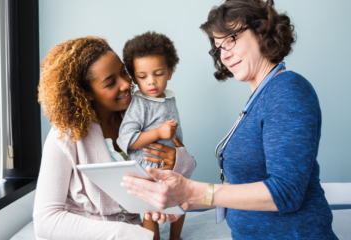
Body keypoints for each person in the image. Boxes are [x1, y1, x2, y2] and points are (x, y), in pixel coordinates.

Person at [122, 0, 338, 239]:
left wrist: (192, 189)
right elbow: (243, 189)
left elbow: (286, 192)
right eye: (218, 47)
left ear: (262, 30)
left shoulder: (287, 90)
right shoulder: (260, 98)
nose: (225, 54)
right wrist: (184, 200)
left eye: (231, 39)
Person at [34, 36, 196, 240]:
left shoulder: (138, 117)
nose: (126, 84)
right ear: (87, 92)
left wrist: (175, 161)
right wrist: (130, 234)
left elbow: (178, 179)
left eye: (124, 73)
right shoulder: (65, 135)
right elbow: (45, 222)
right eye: (110, 82)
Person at [117, 31, 187, 240]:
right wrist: (157, 132)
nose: (151, 82)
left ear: (170, 72)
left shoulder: (169, 98)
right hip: (148, 169)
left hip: (170, 167)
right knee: (150, 210)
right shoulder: (139, 103)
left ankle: (176, 237)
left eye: (158, 74)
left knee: (181, 202)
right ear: (134, 77)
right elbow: (126, 140)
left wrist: (181, 152)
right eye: (142, 76)